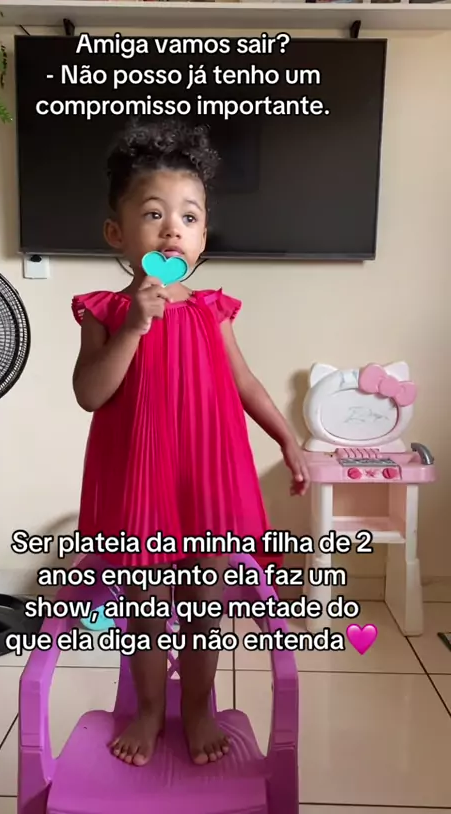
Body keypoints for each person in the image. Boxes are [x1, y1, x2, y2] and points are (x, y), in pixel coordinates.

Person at [71, 119, 309, 768]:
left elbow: (246, 384)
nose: (172, 228)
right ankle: (150, 710)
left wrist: (288, 439)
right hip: (140, 488)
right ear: (117, 234)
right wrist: (133, 328)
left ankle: (199, 707)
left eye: (189, 216)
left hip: (208, 484)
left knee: (206, 605)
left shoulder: (212, 311)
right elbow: (90, 393)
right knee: (147, 610)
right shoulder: (104, 311)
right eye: (154, 214)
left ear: (203, 237)